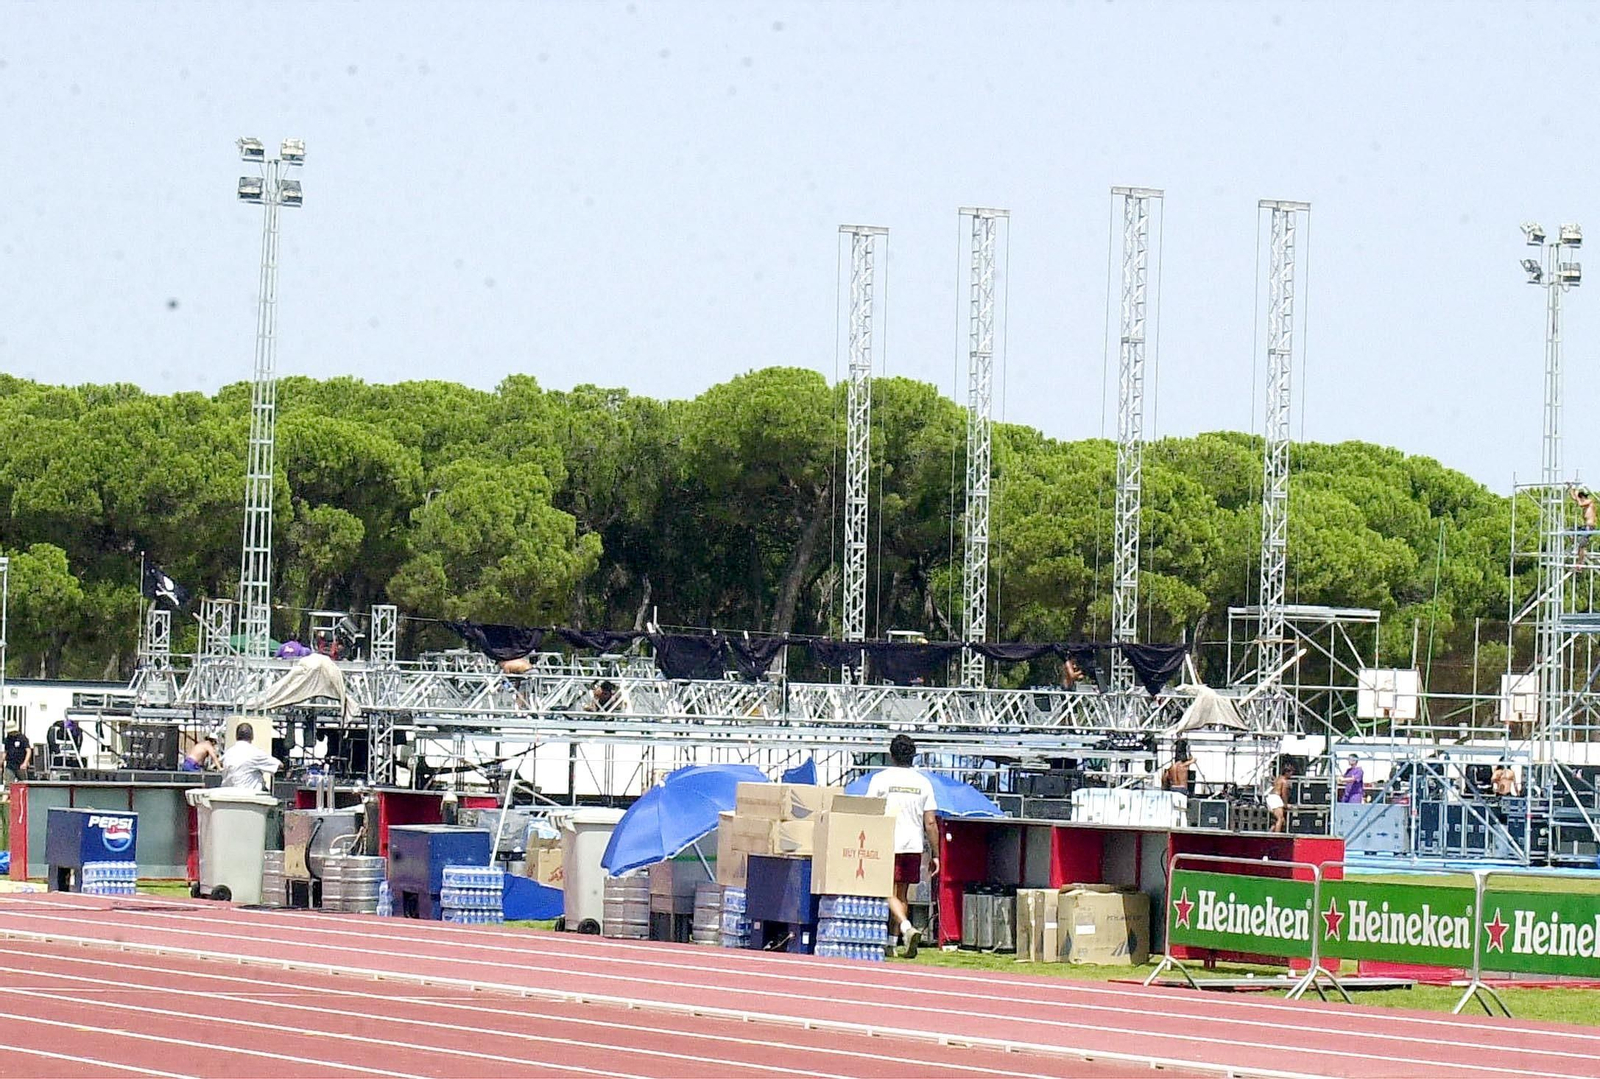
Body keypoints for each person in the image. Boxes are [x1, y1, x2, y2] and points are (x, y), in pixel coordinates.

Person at [865, 734, 940, 959]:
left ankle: (906, 928)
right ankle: (892, 942)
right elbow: (930, 822)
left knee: (884, 890)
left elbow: (869, 809)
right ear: (913, 756)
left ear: (891, 755)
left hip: (886, 840)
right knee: (902, 893)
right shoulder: (923, 782)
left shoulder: (880, 779)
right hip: (913, 844)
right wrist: (936, 854)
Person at [220, 723, 281, 791]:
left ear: (236, 736)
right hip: (250, 795)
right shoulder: (255, 753)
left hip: (227, 793)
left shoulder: (228, 753)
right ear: (252, 736)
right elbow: (279, 765)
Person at [1573, 487, 1597, 568]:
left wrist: (1576, 495)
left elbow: (1580, 503)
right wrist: (1571, 489)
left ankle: (1580, 563)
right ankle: (1575, 543)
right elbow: (1576, 499)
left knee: (1581, 546)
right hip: (1584, 526)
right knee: (1570, 531)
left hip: (1589, 527)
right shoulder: (1584, 503)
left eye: (1581, 498)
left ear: (1583, 497)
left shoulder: (1589, 502)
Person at [1267, 761, 1292, 833]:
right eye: (1290, 773)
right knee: (1280, 819)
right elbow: (1284, 794)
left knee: (1279, 820)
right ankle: (1276, 836)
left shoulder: (1278, 778)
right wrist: (1286, 804)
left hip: (1270, 798)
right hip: (1275, 798)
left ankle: (1270, 833)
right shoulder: (1284, 781)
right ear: (1286, 772)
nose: (1291, 775)